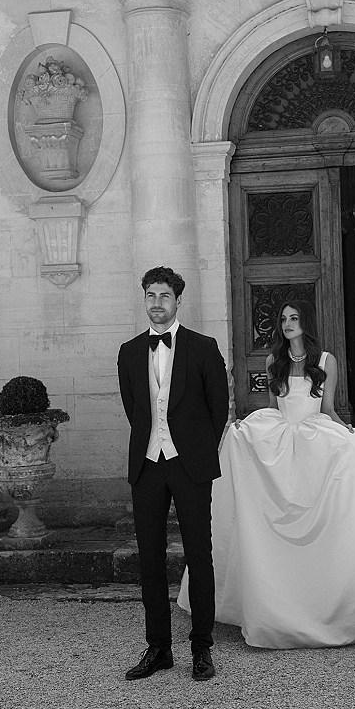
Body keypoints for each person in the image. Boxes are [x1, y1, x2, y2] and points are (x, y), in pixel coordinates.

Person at [178, 299, 355, 648]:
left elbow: (328, 408)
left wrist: (348, 432)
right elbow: (273, 408)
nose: (288, 324)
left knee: (329, 503)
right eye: (284, 319)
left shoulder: (325, 361)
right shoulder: (275, 361)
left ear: (306, 323)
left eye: (294, 318)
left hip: (315, 439)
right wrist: (248, 427)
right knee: (249, 468)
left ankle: (333, 599)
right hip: (281, 441)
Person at [118, 266, 229, 679]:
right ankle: (158, 648)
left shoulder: (203, 347)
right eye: (151, 295)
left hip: (190, 465)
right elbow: (135, 409)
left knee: (199, 556)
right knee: (150, 559)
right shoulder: (129, 352)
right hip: (147, 465)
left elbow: (218, 408)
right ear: (144, 299)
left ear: (178, 301)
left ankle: (202, 648)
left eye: (165, 296)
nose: (157, 303)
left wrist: (194, 448)